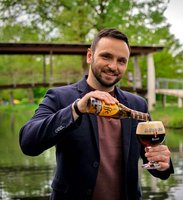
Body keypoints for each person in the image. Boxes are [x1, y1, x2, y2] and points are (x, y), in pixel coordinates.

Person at [19, 28, 174, 200]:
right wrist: (76, 109)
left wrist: (163, 165)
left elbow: (155, 161)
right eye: (106, 56)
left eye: (121, 61)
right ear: (89, 56)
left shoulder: (138, 105)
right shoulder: (60, 97)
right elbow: (28, 143)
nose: (113, 66)